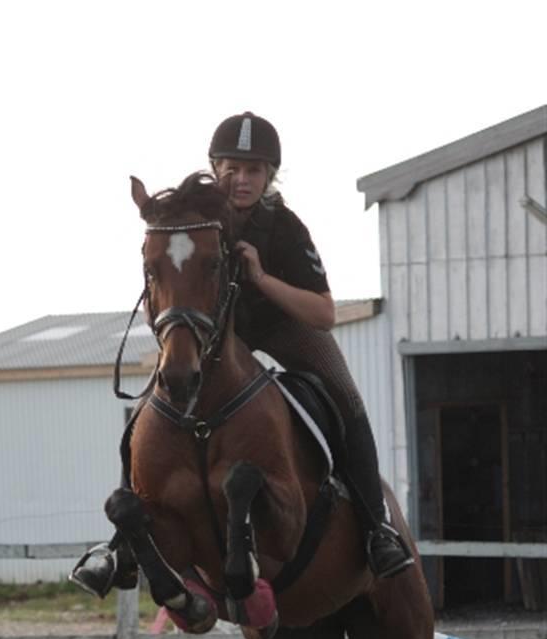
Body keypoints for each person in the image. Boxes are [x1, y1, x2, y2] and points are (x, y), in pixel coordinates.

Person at [71, 111, 412, 596]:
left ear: (270, 176)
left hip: (284, 326)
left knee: (344, 397)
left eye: (253, 171)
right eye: (230, 168)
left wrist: (262, 279)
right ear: (214, 167)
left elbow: (323, 313)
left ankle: (378, 529)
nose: (241, 180)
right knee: (152, 405)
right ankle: (120, 544)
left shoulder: (285, 227)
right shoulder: (197, 214)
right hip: (217, 335)